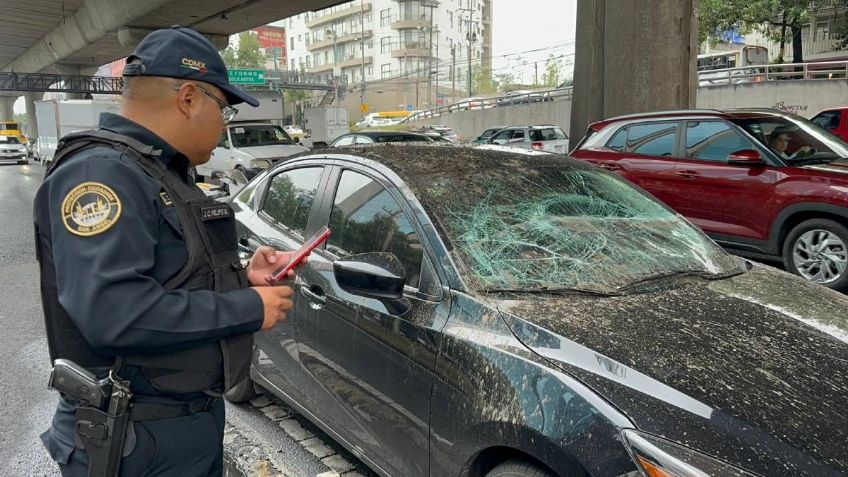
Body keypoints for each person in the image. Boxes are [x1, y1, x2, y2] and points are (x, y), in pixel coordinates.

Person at [35, 27, 301, 476]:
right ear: (190, 98)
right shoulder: (102, 174)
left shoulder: (155, 172)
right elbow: (116, 314)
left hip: (178, 423)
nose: (224, 124)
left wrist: (244, 277)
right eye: (225, 109)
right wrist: (247, 308)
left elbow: (173, 276)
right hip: (135, 438)